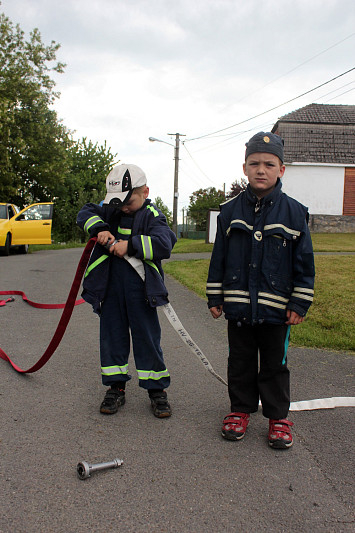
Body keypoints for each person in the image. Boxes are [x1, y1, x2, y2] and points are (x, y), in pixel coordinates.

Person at [206, 132, 315, 449]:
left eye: (269, 164)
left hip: (277, 311)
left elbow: (304, 264)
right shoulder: (229, 212)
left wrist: (299, 302)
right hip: (238, 308)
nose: (261, 169)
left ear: (281, 170)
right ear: (244, 168)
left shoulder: (295, 213)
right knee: (239, 362)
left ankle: (278, 417)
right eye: (254, 163)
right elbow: (219, 260)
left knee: (274, 366)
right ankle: (240, 410)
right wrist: (215, 296)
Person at [77, 163, 177, 418]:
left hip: (142, 292)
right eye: (117, 202)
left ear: (145, 192)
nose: (122, 207)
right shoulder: (111, 208)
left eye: (128, 201)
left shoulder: (152, 215)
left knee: (147, 340)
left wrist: (131, 245)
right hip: (110, 290)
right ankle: (115, 388)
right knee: (112, 339)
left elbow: (165, 243)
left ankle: (157, 391)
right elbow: (85, 212)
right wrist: (99, 228)